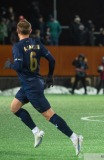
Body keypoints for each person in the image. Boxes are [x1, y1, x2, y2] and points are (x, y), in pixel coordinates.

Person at [3, 19, 83, 156]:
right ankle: (36, 132)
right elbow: (52, 60)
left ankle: (75, 138)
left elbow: (18, 66)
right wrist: (50, 76)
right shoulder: (37, 44)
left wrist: (9, 65)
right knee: (14, 107)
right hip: (33, 83)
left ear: (17, 31)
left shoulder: (17, 46)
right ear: (30, 30)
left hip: (31, 86)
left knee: (49, 115)